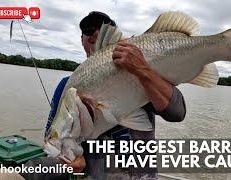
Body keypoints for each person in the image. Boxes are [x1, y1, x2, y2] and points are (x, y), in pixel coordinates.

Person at [24, 11, 186, 180]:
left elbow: (178, 112)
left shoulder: (142, 71)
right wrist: (75, 159)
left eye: (102, 28)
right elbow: (55, 137)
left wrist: (142, 70)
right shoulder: (67, 87)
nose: (94, 33)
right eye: (88, 30)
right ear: (82, 40)